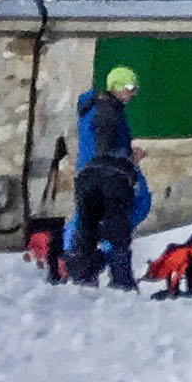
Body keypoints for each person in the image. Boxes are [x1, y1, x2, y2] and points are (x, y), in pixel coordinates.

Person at [67, 65, 144, 290]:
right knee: (118, 229)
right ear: (116, 86)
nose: (133, 93)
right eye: (129, 87)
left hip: (86, 177)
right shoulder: (109, 108)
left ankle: (82, 277)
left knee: (86, 227)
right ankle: (122, 282)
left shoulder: (89, 107)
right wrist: (129, 159)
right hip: (110, 177)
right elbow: (105, 146)